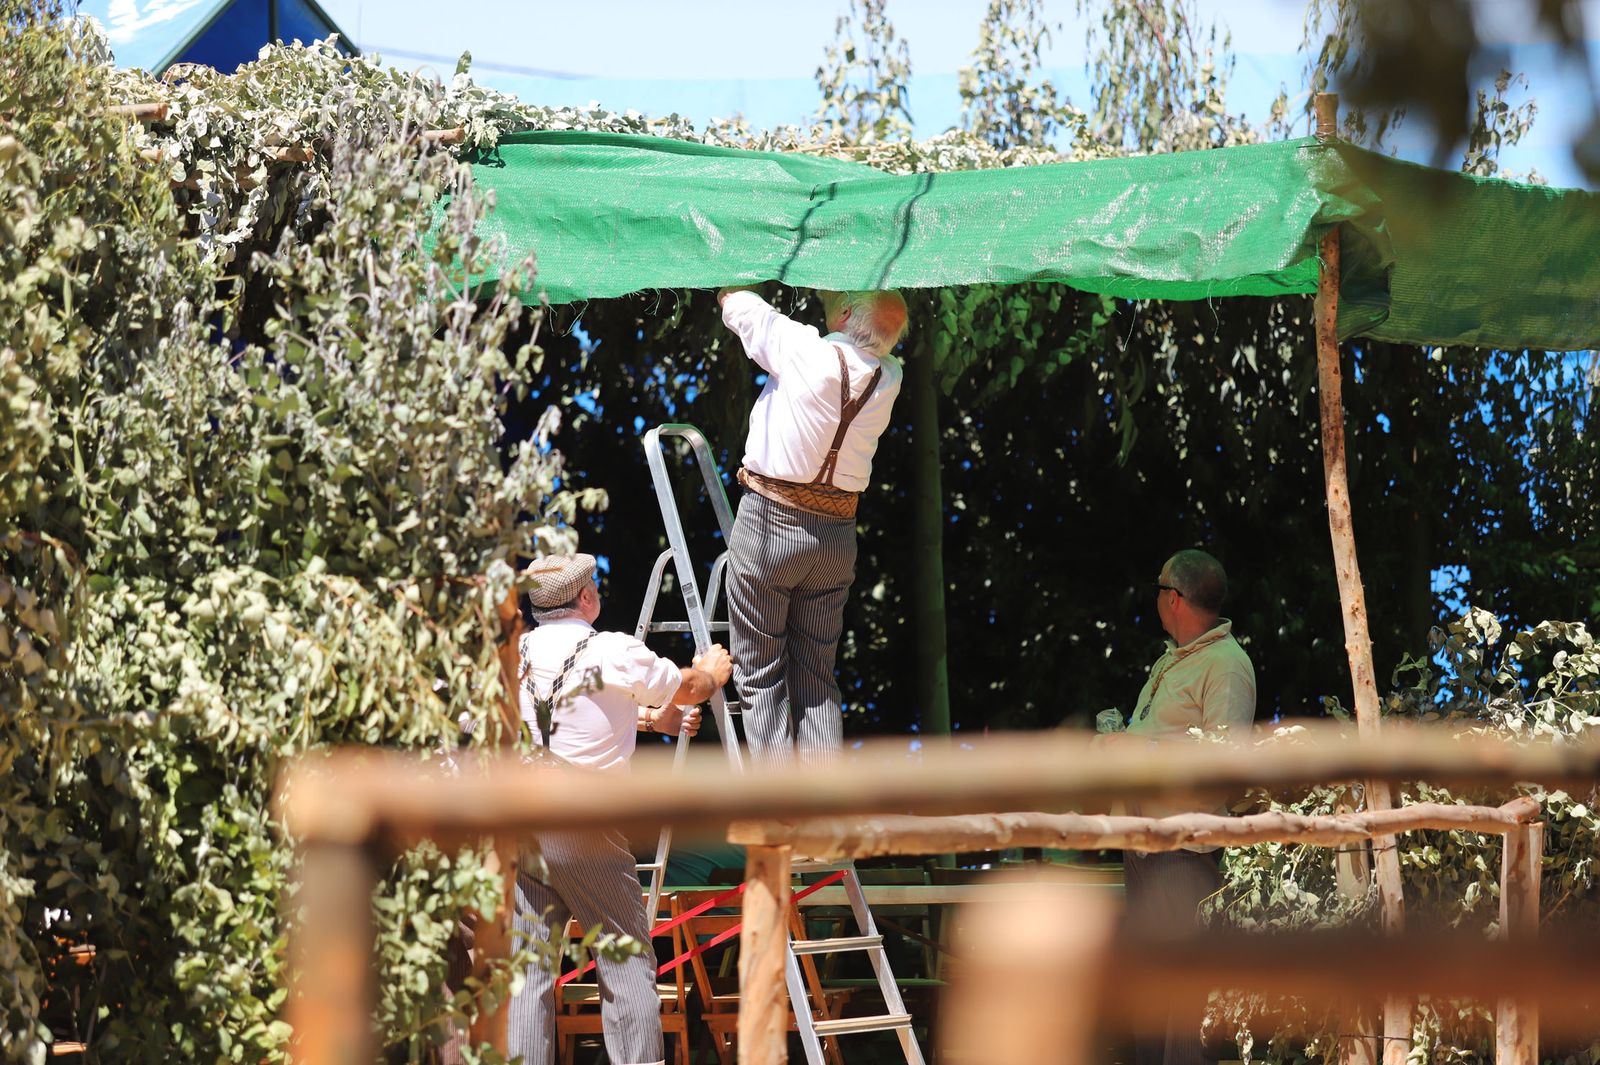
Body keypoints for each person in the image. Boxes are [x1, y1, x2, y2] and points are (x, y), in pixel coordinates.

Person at [506, 553, 733, 1065]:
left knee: (530, 966)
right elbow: (690, 688)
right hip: (585, 818)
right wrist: (710, 672)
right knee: (625, 959)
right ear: (585, 597)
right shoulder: (610, 648)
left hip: (521, 818)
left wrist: (652, 721)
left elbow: (559, 720)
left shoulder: (512, 653)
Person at [715, 285, 909, 762]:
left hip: (771, 525)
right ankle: (821, 806)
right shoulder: (890, 376)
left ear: (843, 313)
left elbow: (737, 304)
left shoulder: (804, 349)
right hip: (836, 537)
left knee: (761, 673)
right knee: (816, 675)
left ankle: (781, 809)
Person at [1120, 548, 1256, 1065]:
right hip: (1144, 844)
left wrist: (1138, 749)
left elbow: (1224, 759)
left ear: (1173, 598)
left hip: (1184, 848)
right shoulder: (1171, 659)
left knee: (1182, 999)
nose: (1155, 598)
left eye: (1158, 588)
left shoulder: (1227, 665)